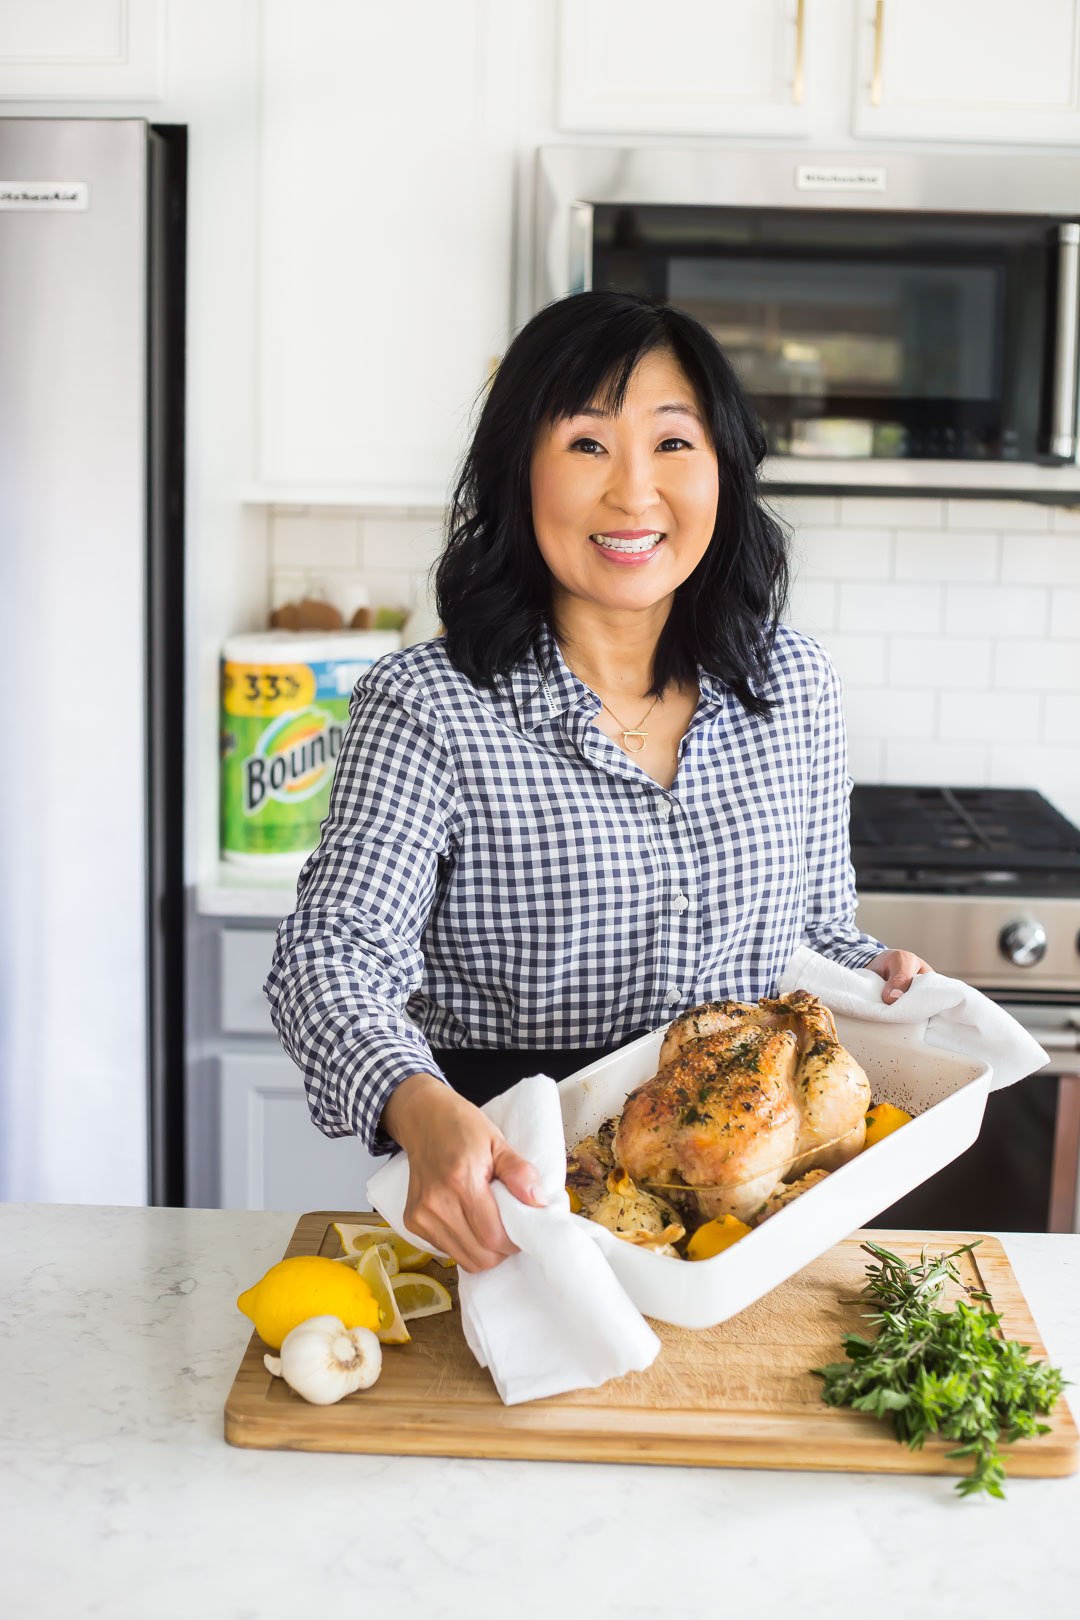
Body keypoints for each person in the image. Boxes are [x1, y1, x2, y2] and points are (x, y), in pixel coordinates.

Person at [264, 290, 931, 1274]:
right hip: (512, 1204)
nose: (633, 493)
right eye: (586, 445)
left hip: (747, 1220)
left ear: (724, 472)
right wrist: (418, 1105)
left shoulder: (795, 688)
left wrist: (877, 970)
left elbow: (817, 929)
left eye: (673, 443)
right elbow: (334, 957)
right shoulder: (428, 705)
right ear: (518, 470)